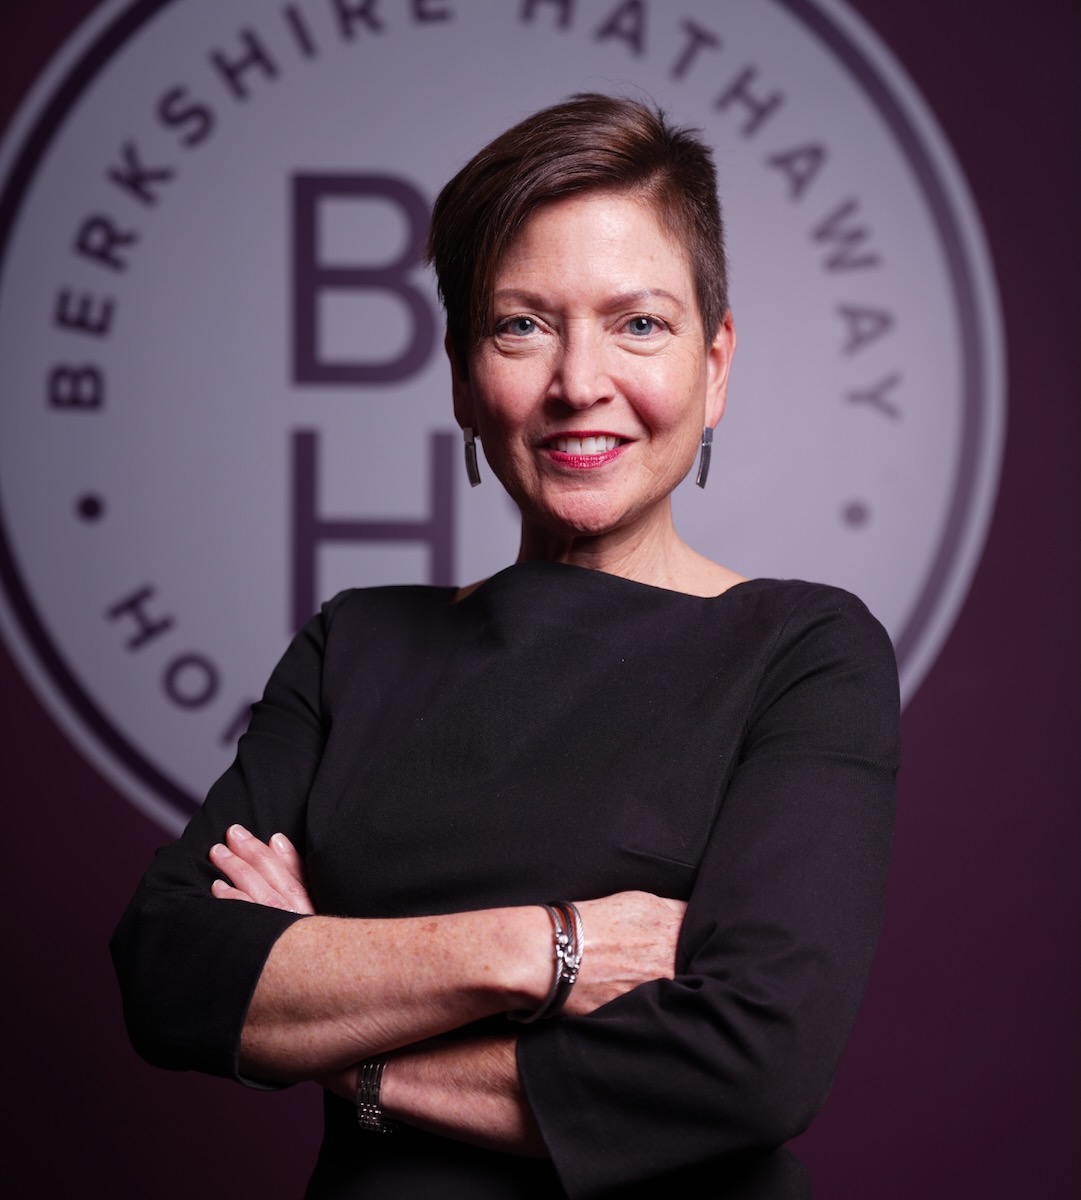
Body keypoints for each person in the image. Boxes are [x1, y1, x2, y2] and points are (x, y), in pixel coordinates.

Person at [111, 93, 899, 1198]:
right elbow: (169, 968)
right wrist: (547, 947)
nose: (579, 383)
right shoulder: (354, 644)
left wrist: (344, 1031)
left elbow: (748, 1067)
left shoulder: (805, 651)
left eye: (639, 324)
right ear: (460, 378)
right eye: (521, 326)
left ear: (715, 364)